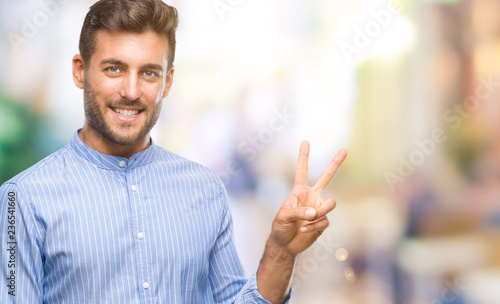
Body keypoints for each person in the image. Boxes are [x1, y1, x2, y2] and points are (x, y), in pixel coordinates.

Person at [0, 0, 347, 303]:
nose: (131, 90)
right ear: (80, 71)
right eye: (114, 69)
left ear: (166, 82)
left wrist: (280, 251)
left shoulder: (204, 188)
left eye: (148, 73)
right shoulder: (22, 199)